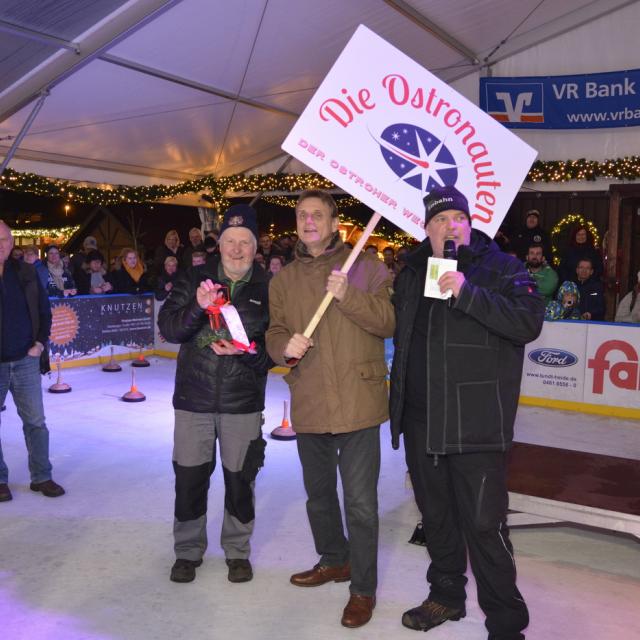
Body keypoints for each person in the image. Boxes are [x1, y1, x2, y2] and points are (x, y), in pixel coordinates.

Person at [389, 185, 544, 639]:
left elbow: (527, 322)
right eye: (439, 220)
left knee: (484, 525)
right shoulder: (412, 270)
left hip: (476, 424)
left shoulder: (502, 267)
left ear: (470, 224)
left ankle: (506, 621)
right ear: (427, 229)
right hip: (421, 420)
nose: (449, 226)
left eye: (457, 218)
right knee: (436, 518)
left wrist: (468, 293)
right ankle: (446, 596)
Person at [266, 189, 394, 629]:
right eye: (302, 214)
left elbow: (389, 321)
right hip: (311, 400)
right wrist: (284, 346)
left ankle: (362, 588)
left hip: (359, 402)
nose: (308, 221)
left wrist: (348, 295)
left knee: (360, 504)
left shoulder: (368, 267)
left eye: (317, 214)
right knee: (319, 497)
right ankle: (334, 559)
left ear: (336, 222)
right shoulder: (283, 280)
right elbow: (274, 332)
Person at [158, 204, 272, 585]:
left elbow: (276, 348)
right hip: (194, 401)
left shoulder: (269, 288)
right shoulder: (195, 279)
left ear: (256, 248)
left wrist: (249, 352)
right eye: (230, 241)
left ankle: (237, 551)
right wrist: (198, 306)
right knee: (189, 479)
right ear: (218, 244)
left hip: (243, 402)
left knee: (241, 480)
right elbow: (171, 329)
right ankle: (187, 551)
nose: (237, 249)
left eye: (245, 243)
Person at [0, 221, 65, 502]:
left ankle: (42, 476)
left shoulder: (26, 272)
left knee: (36, 422)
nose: (0, 244)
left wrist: (39, 343)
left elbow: (44, 312)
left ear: (11, 243)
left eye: (3, 239)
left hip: (25, 360)